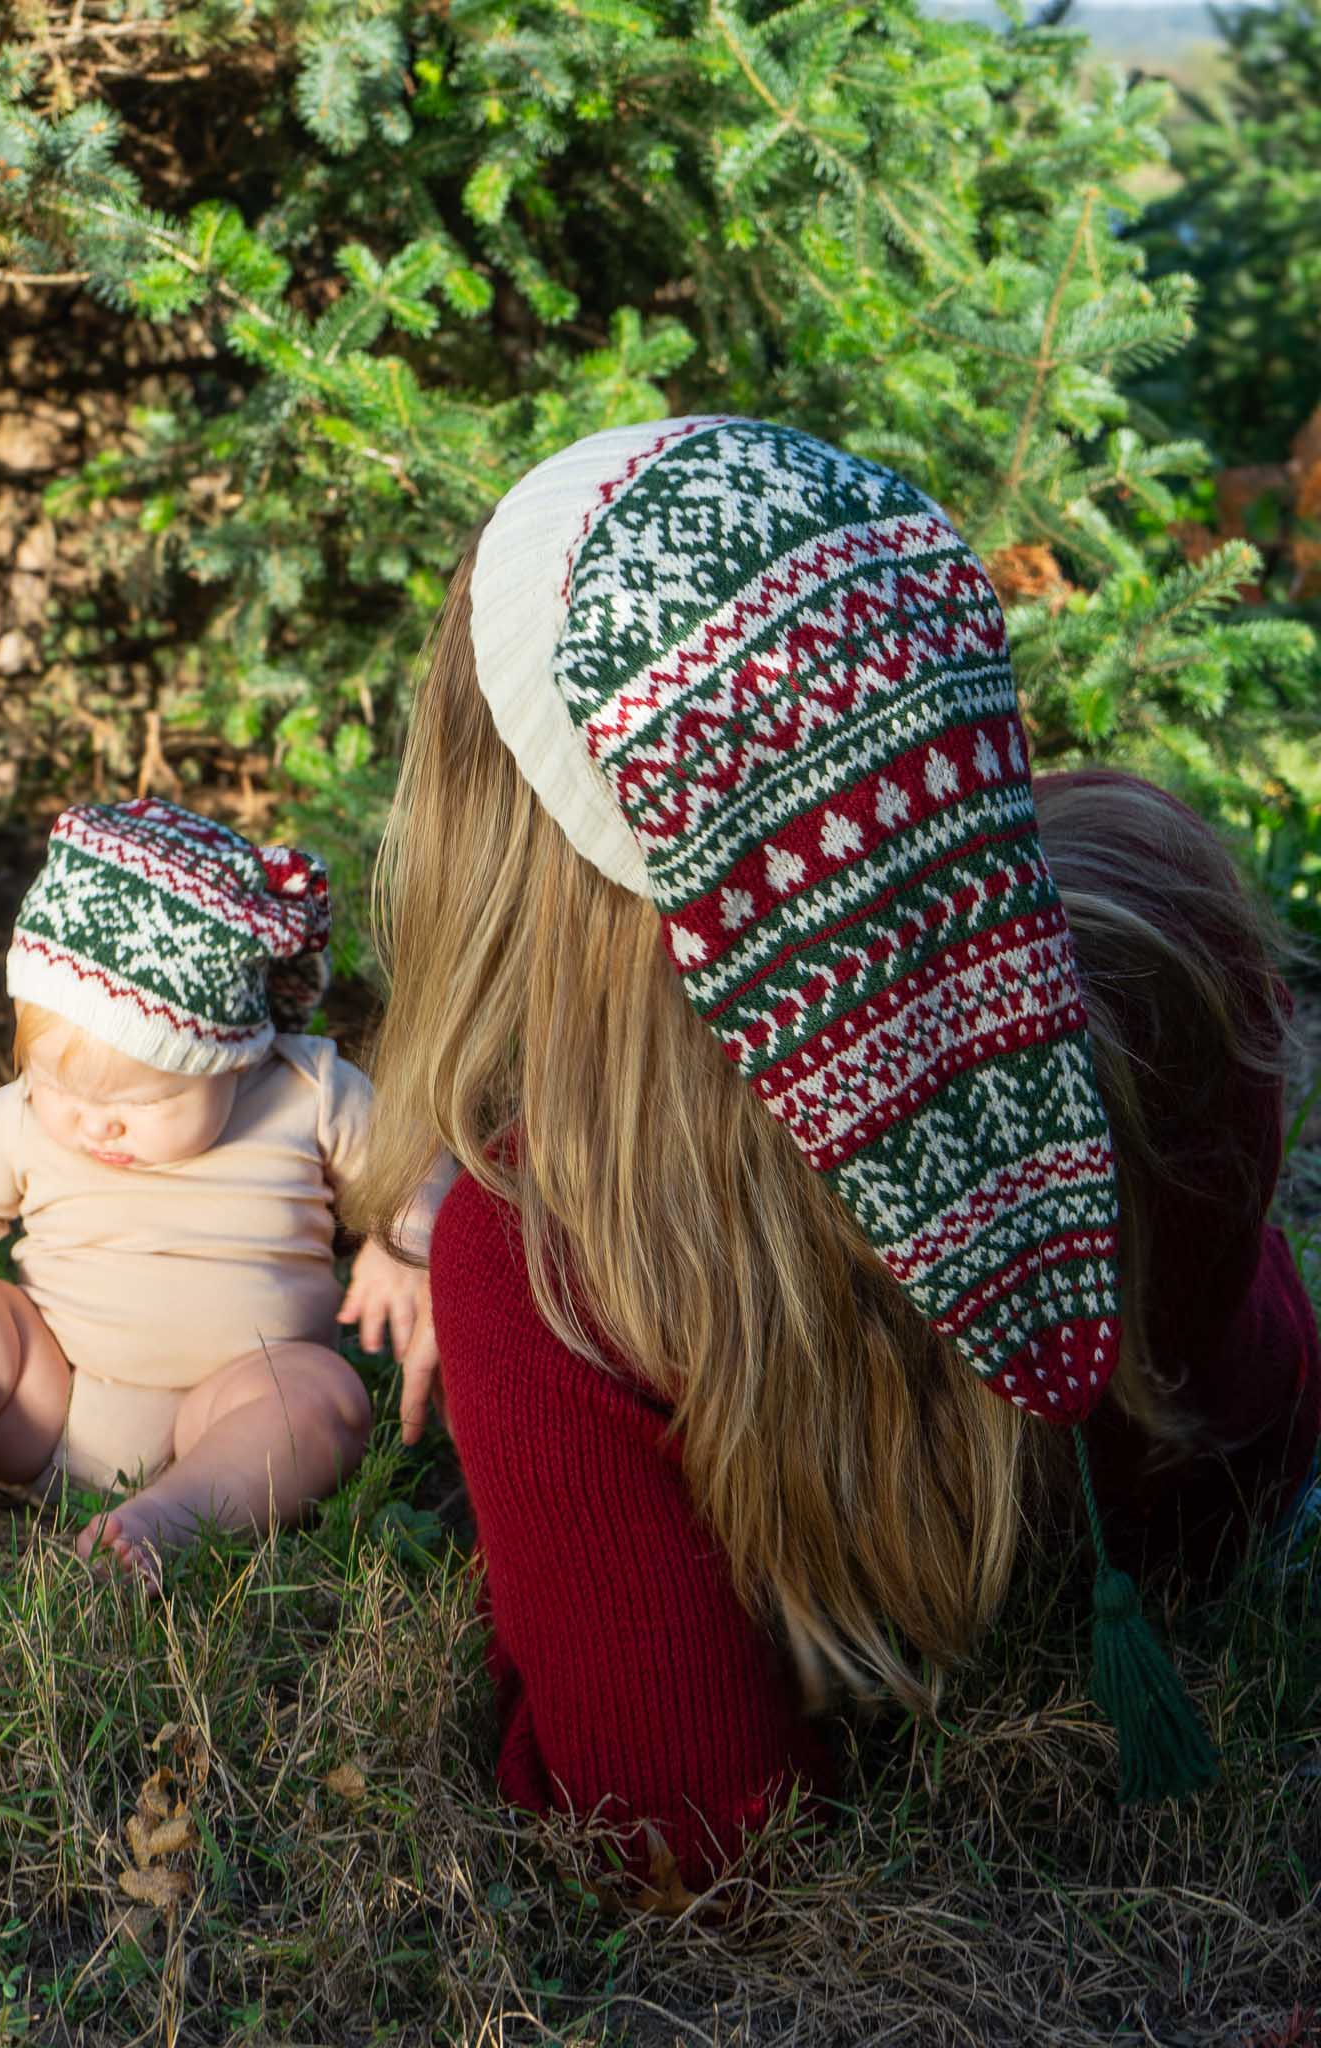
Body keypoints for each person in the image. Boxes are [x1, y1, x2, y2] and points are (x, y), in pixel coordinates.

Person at [349, 416, 1320, 1890]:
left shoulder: (559, 1244)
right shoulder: (1151, 908)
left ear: (508, 833)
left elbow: (682, 1828)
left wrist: (527, 1580)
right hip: (1232, 1502)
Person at [0, 798, 438, 1583]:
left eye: (144, 1103)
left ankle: (168, 1519)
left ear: (232, 1056)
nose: (98, 1127)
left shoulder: (308, 1094)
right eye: (61, 1087)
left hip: (226, 1415)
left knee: (321, 1396)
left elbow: (424, 1161)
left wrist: (409, 1241)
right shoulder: (28, 1119)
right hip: (46, 1401)